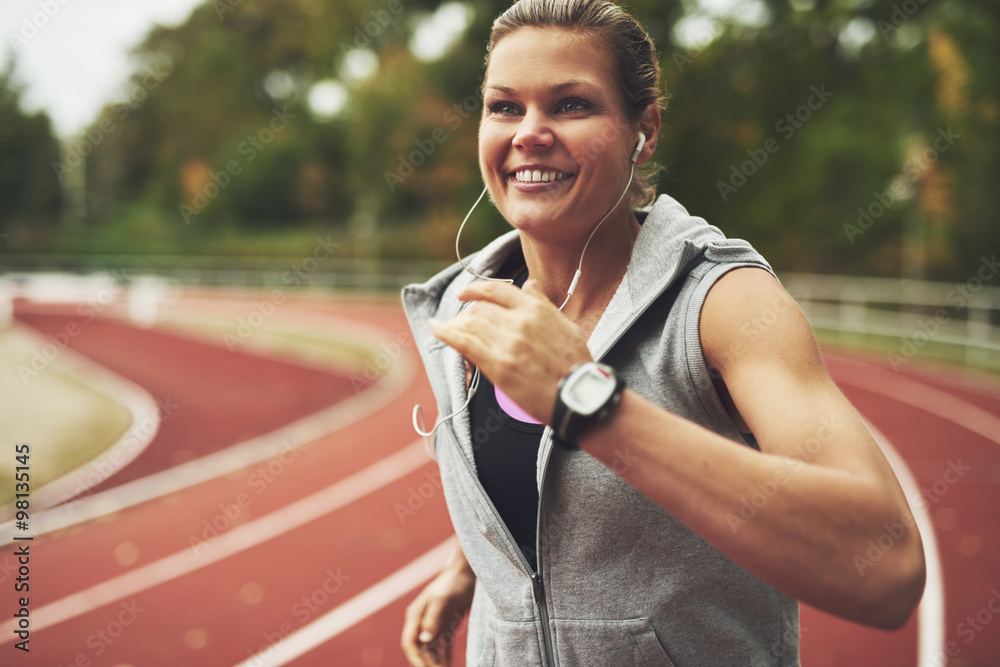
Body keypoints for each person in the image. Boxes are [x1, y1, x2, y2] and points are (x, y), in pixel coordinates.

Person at [399, 1, 926, 665]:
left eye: (570, 105)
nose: (529, 132)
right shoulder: (471, 304)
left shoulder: (723, 305)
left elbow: (886, 565)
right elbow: (532, 473)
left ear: (643, 130)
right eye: (505, 106)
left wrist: (584, 401)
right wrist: (473, 564)